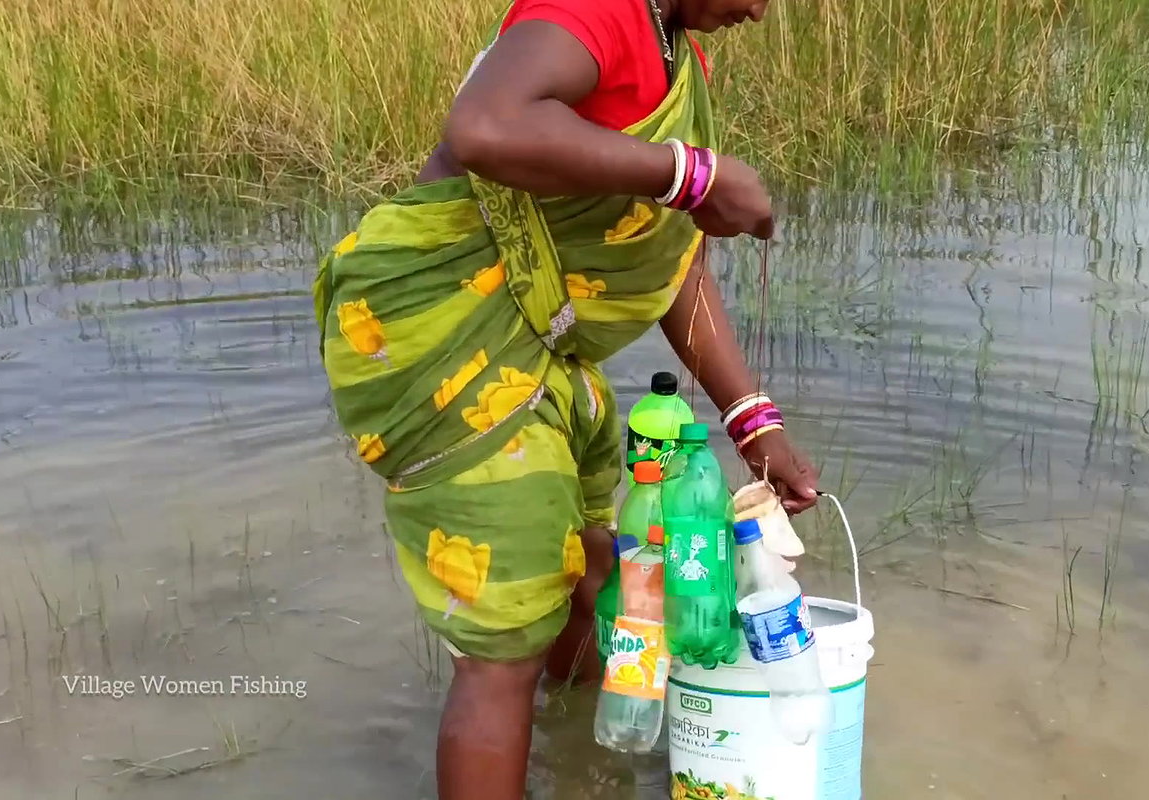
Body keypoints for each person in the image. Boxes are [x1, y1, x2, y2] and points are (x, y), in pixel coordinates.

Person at [312, 0, 818, 797]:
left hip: (543, 347)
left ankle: (577, 761)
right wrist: (694, 174)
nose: (760, 10)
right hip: (455, 347)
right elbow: (486, 124)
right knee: (502, 652)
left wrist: (753, 420)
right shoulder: (601, 10)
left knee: (593, 576)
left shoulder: (674, 50)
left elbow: (669, 256)